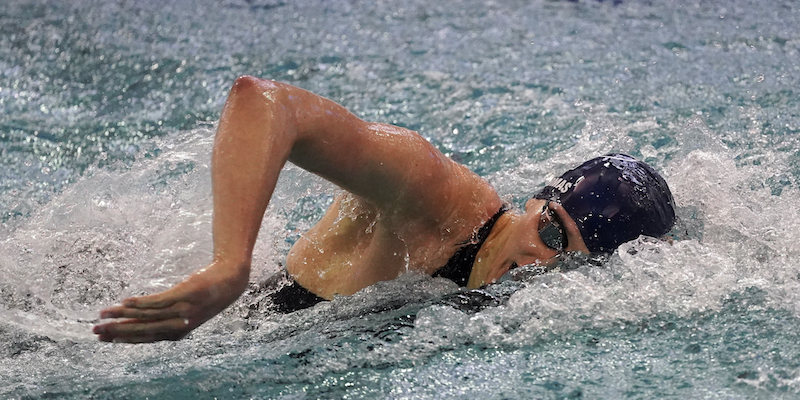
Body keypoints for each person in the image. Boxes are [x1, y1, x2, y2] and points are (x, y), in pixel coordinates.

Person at [92, 76, 675, 343]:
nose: (541, 263)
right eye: (551, 232)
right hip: (145, 322)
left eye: (572, 262)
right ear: (536, 201)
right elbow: (263, 102)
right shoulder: (432, 194)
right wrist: (229, 263)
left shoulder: (530, 311)